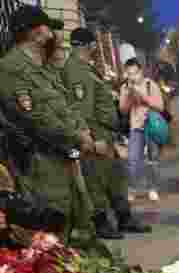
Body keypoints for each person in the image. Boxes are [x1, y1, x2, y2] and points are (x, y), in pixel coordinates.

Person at [0, 5, 101, 242]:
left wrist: (82, 129)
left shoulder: (43, 67)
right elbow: (36, 118)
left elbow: (64, 104)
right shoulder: (11, 68)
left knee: (77, 225)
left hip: (65, 158)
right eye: (48, 27)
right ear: (33, 33)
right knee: (51, 236)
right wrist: (78, 137)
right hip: (41, 165)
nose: (53, 34)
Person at [63, 27, 150, 239]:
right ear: (90, 45)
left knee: (114, 176)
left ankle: (124, 217)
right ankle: (101, 223)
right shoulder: (76, 70)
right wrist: (95, 138)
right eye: (94, 44)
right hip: (96, 133)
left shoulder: (86, 68)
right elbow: (81, 110)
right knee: (96, 179)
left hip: (105, 131)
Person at [119, 58, 165, 204]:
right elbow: (123, 110)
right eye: (129, 73)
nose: (133, 76)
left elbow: (160, 106)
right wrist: (129, 97)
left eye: (135, 73)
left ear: (141, 71)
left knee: (153, 161)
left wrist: (144, 99)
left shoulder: (151, 85)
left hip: (151, 127)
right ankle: (132, 189)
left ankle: (152, 188)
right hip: (136, 128)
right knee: (133, 160)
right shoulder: (125, 88)